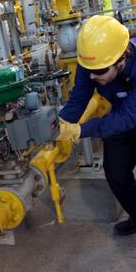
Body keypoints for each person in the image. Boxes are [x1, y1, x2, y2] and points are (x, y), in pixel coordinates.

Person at [57, 15, 136, 235]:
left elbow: (128, 117)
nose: (91, 75)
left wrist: (80, 130)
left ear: (122, 59)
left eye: (99, 71)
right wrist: (60, 125)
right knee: (116, 173)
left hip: (128, 115)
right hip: (121, 114)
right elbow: (79, 98)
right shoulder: (94, 62)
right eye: (88, 69)